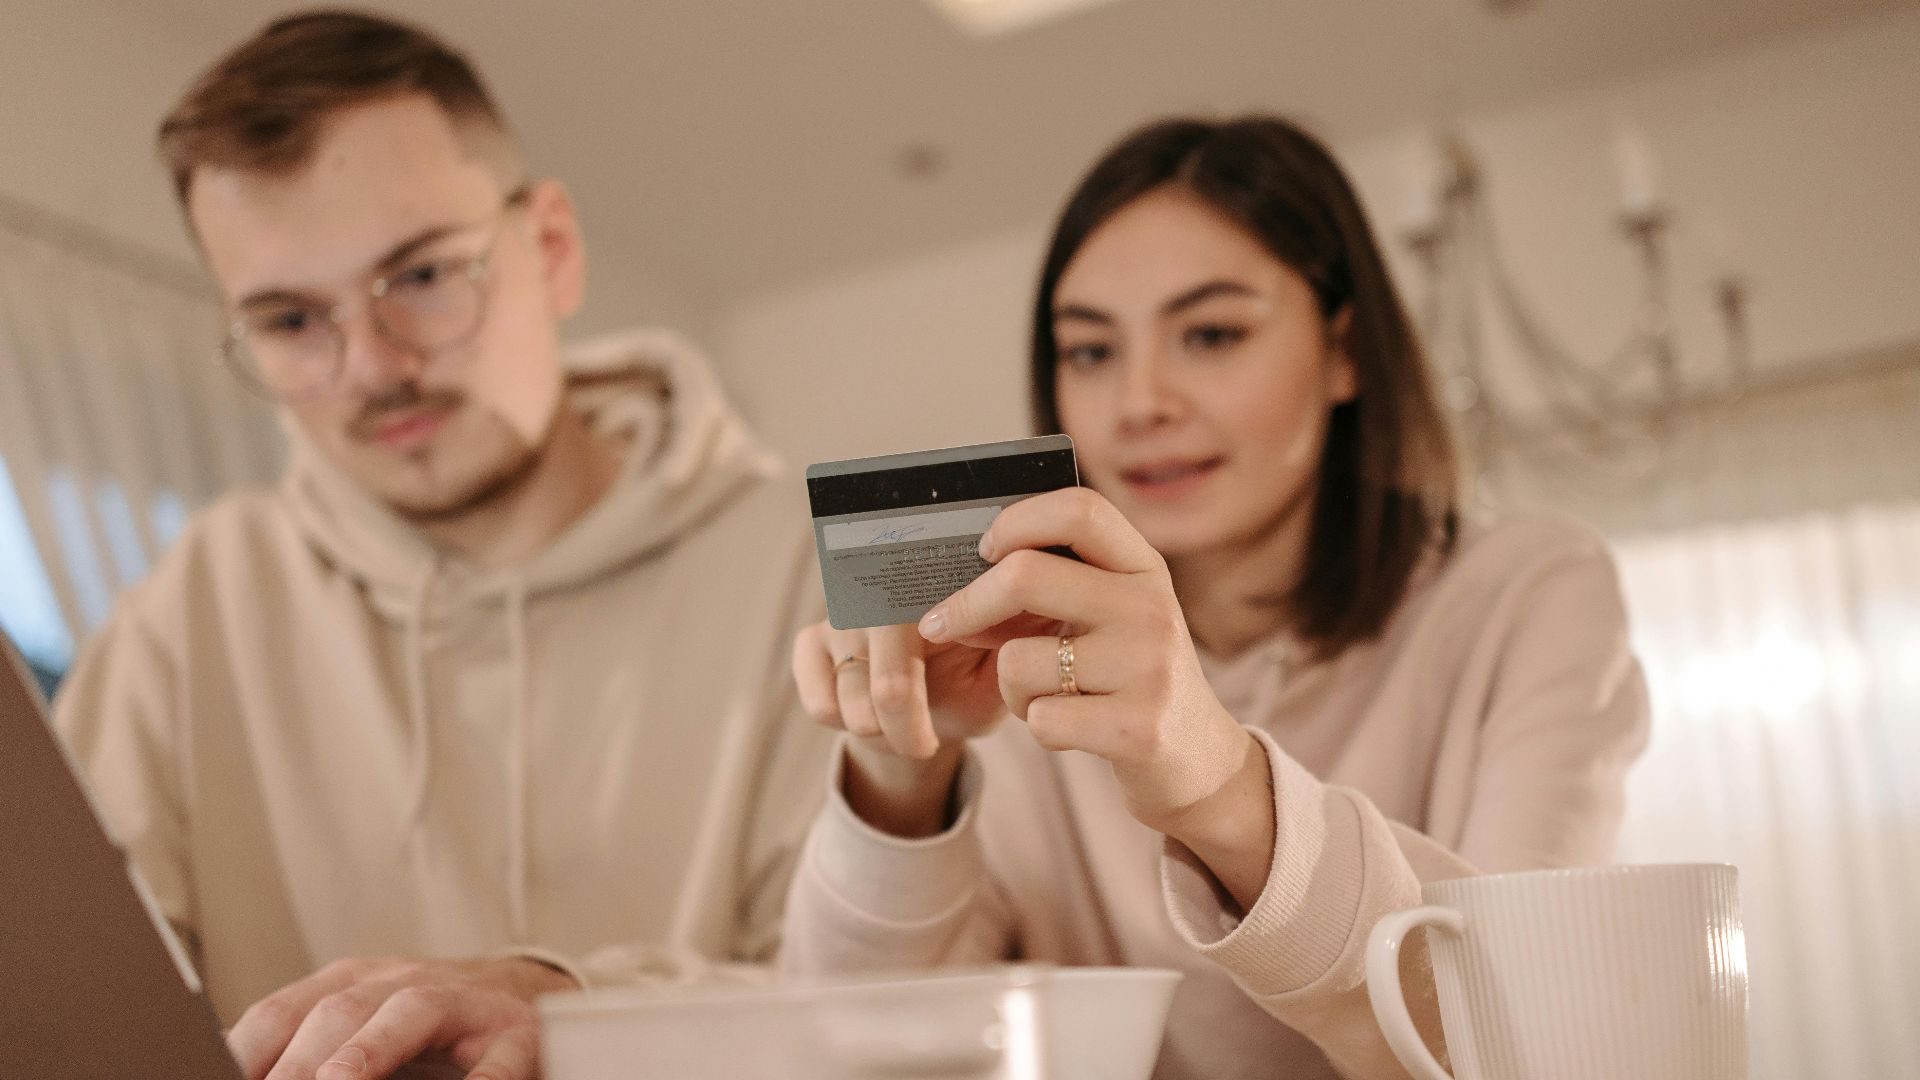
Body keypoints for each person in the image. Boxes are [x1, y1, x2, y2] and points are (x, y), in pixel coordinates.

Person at [783, 116, 1651, 1080]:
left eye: (1210, 334)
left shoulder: (1529, 593)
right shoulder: (1015, 649)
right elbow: (859, 1052)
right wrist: (902, 777)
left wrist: (1222, 787)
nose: (1140, 403)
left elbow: (1524, 1041)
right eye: (1090, 352)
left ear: (1346, 351)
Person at [53, 12, 833, 1080]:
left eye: (421, 277)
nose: (374, 368)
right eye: (290, 322)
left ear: (551, 250)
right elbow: (68, 1001)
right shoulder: (193, 606)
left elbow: (876, 998)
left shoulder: (800, 572)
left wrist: (564, 1005)